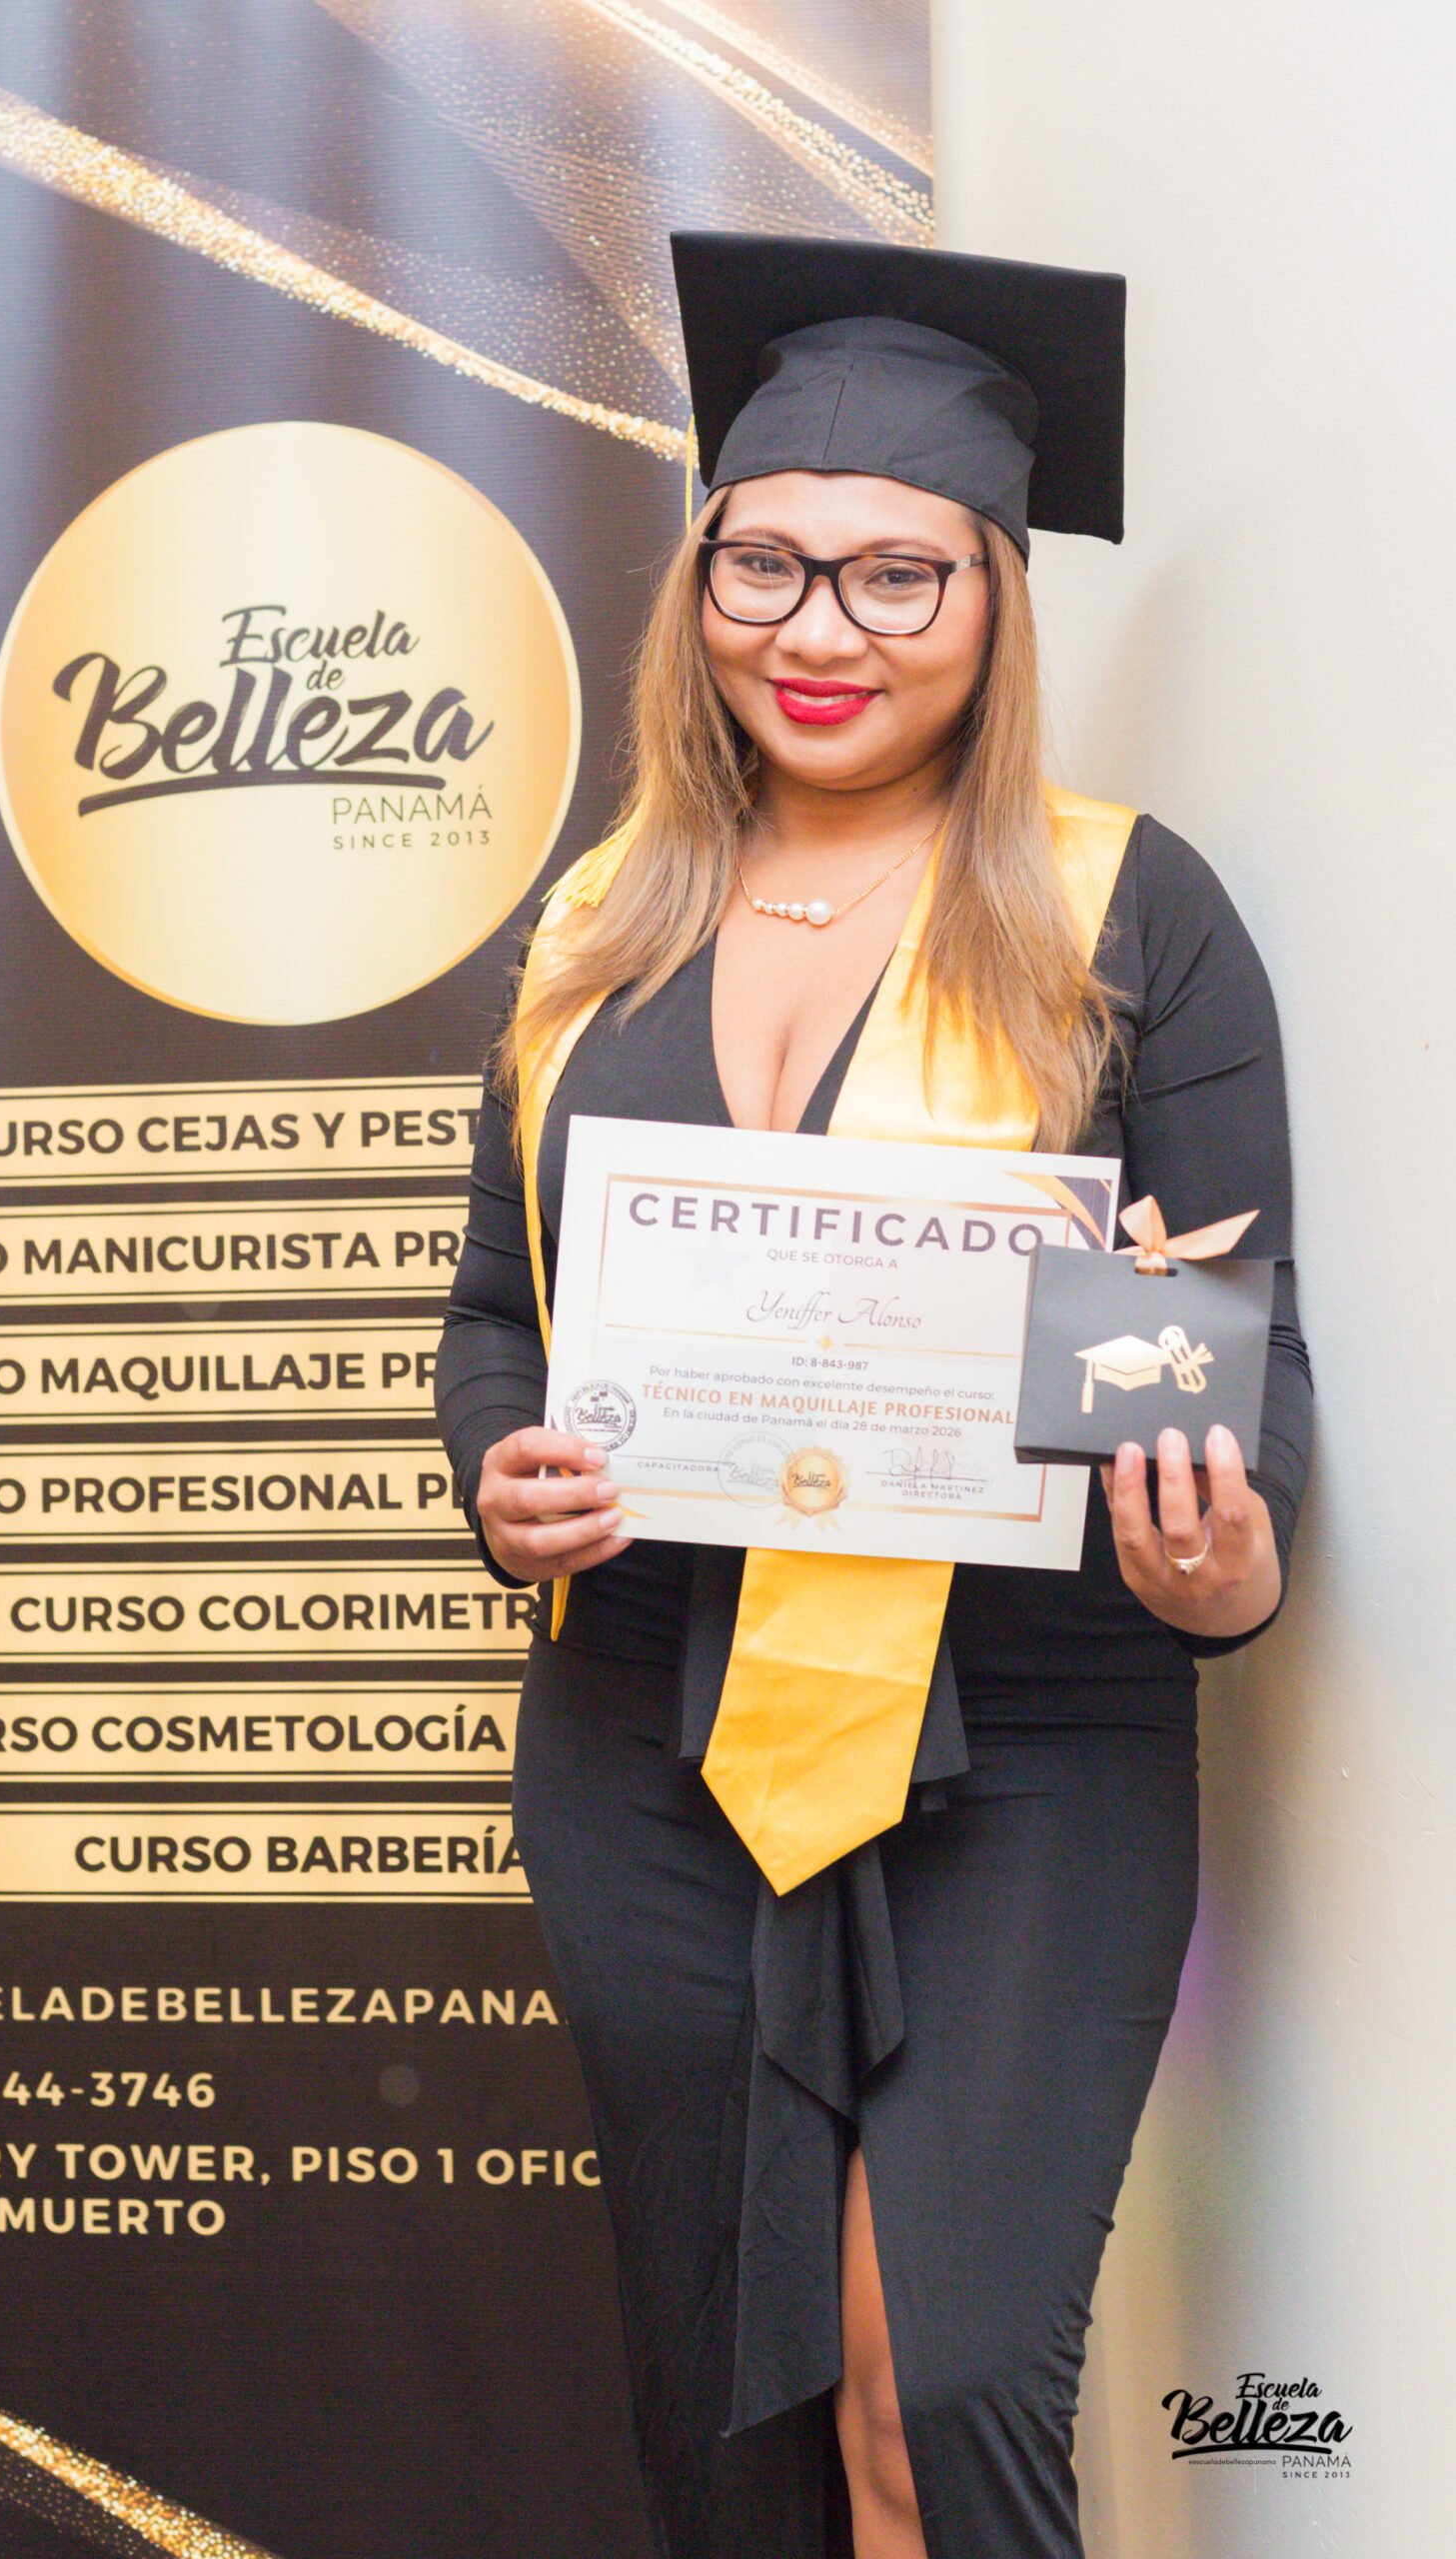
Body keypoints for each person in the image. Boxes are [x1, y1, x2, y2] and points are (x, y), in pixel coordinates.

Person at [436, 232, 1312, 2559]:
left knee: (938, 2383)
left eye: (895, 574)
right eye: (766, 564)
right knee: (724, 2412)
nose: (817, 628)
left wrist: (1220, 1553)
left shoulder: (1121, 914)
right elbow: (495, 1315)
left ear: (994, 596)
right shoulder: (596, 918)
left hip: (1022, 1740)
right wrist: (499, 1476)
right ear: (698, 577)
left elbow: (1227, 1357)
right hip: (647, 1741)